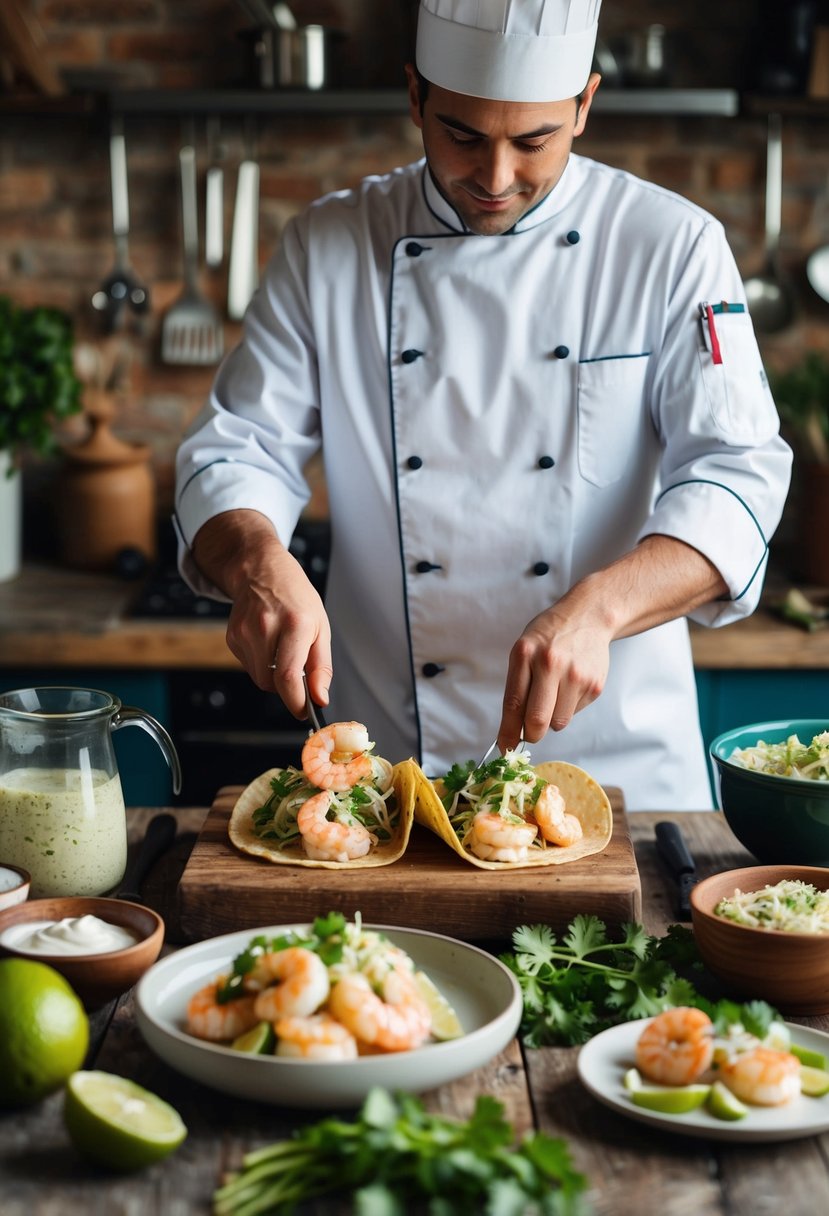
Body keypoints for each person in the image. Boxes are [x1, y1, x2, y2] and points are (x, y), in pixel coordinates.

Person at [174, 0, 792, 810]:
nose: (495, 178)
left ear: (583, 105)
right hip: (393, 775)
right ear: (415, 99)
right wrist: (259, 566)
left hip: (624, 771)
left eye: (532, 140)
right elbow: (237, 450)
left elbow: (737, 477)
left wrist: (601, 608)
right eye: (461, 135)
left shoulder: (671, 247)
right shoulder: (327, 245)